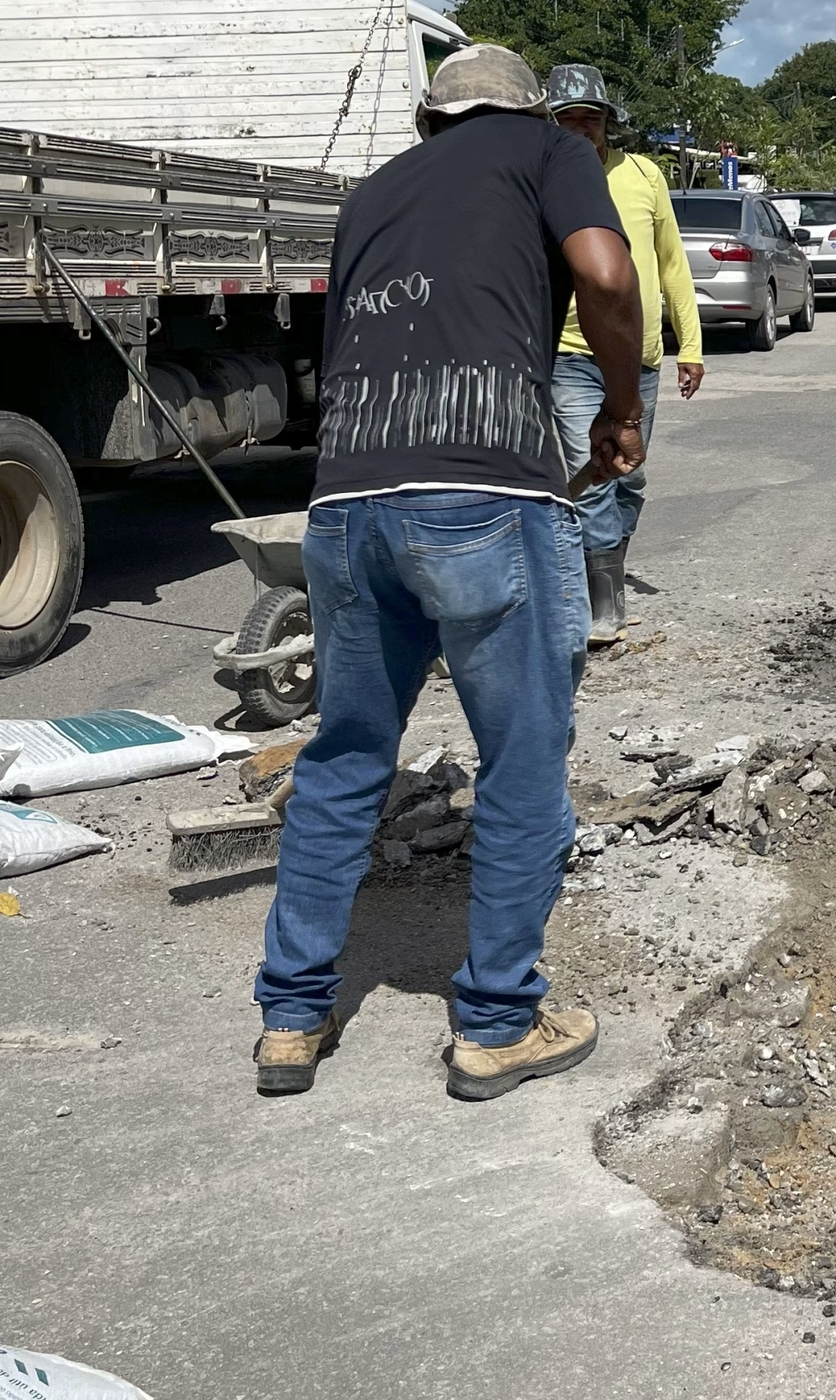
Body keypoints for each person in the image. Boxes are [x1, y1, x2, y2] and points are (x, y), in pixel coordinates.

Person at [251, 45, 648, 1099]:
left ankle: (291, 1016)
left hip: (344, 503)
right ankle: (497, 1022)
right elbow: (607, 273)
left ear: (431, 121)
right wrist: (620, 408)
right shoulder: (547, 149)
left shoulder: (374, 190)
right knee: (521, 761)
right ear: (523, 113)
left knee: (344, 755)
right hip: (483, 493)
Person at [545, 64, 704, 645]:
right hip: (569, 353)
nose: (582, 130)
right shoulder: (540, 178)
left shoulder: (644, 175)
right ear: (550, 125)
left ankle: (604, 569)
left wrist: (692, 345)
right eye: (569, 121)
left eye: (591, 119)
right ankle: (602, 606)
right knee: (591, 474)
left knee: (627, 477)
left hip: (641, 357)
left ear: (609, 124)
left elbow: (671, 264)